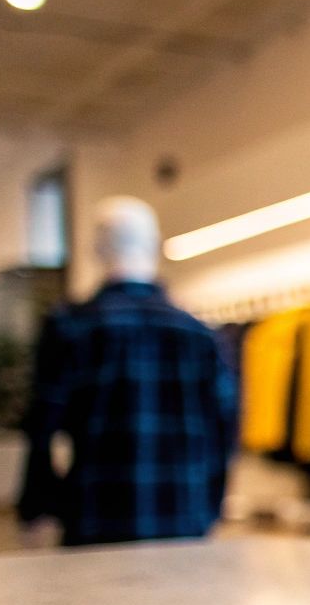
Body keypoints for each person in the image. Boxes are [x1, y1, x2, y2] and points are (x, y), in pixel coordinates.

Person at [17, 196, 236, 546]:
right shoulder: (200, 335)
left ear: (97, 248)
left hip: (96, 515)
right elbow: (224, 431)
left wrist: (36, 508)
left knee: (95, 602)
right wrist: (212, 503)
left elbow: (42, 429)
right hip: (184, 518)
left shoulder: (71, 328)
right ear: (154, 246)